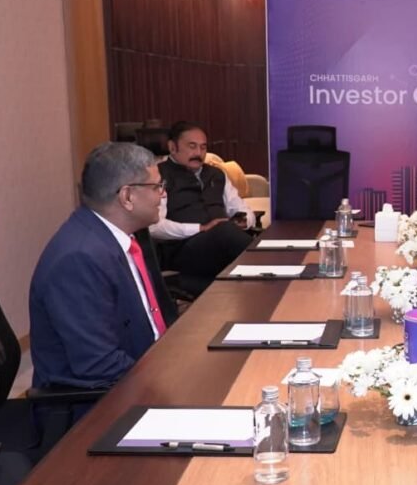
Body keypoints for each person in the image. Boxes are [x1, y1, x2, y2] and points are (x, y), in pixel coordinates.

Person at [30, 142, 178, 389]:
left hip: (142, 368)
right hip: (100, 401)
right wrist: (169, 380)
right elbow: (99, 364)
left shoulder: (119, 237)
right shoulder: (79, 258)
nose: (162, 194)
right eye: (156, 186)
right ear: (127, 197)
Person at [150, 121, 254, 292]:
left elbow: (242, 208)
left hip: (223, 242)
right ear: (172, 147)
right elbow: (154, 226)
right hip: (183, 249)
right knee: (224, 231)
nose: (198, 153)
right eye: (192, 146)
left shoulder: (216, 174)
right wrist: (200, 228)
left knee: (232, 232)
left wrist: (243, 220)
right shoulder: (158, 176)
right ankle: (274, 272)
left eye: (203, 147)